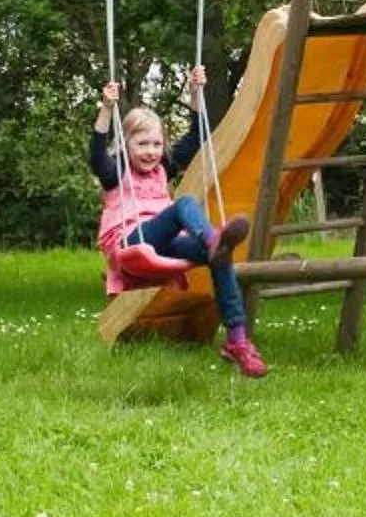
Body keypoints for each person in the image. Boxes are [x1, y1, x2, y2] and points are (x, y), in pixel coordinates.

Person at [91, 67, 266, 377]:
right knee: (185, 204)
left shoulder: (163, 169)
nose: (151, 152)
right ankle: (212, 240)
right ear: (126, 145)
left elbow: (198, 137)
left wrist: (196, 94)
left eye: (156, 144)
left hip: (163, 246)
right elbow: (96, 157)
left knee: (220, 258)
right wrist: (106, 109)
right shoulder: (116, 172)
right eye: (142, 144)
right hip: (132, 244)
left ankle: (238, 341)